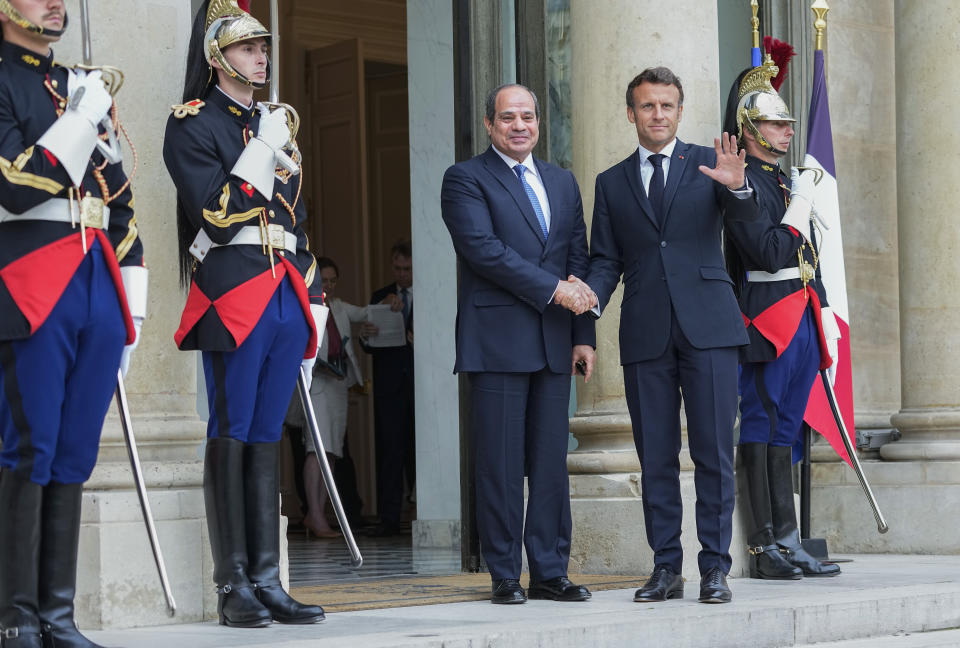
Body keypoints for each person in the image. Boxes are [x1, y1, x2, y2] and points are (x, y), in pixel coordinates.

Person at [162, 0, 325, 628]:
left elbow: (294, 220)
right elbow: (217, 207)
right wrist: (262, 146)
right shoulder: (193, 123)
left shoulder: (275, 124)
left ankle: (267, 577)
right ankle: (232, 582)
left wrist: (314, 296)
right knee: (230, 431)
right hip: (233, 289)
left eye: (264, 48)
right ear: (218, 55)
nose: (261, 57)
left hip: (284, 289)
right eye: (249, 47)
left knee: (264, 435)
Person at [0, 1, 147, 646]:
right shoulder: (7, 82)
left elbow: (121, 203)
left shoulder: (76, 83)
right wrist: (82, 120)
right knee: (28, 447)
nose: (56, 3)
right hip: (30, 278)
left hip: (96, 283)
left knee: (74, 452)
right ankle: (15, 615)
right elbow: (14, 185)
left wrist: (130, 307)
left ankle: (57, 614)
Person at [585, 67, 761, 605]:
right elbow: (604, 261)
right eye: (646, 106)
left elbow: (752, 238)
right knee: (655, 456)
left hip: (709, 328)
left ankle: (715, 569)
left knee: (712, 452)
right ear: (631, 113)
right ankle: (666, 568)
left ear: (679, 112)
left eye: (666, 106)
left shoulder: (712, 166)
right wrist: (582, 309)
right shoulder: (611, 182)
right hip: (645, 332)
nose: (656, 115)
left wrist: (741, 188)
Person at [441, 83, 597, 605]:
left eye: (527, 116)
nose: (520, 125)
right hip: (498, 341)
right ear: (489, 125)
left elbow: (579, 256)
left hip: (556, 342)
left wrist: (584, 335)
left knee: (552, 462)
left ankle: (550, 571)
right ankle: (505, 573)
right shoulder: (465, 178)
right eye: (507, 117)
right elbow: (483, 251)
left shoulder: (562, 181)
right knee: (501, 464)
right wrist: (554, 290)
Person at [721, 56, 841, 579]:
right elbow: (768, 253)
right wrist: (800, 206)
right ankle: (762, 546)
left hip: (802, 315)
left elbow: (805, 258)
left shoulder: (785, 180)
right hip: (767, 319)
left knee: (788, 429)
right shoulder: (745, 183)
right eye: (774, 123)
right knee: (763, 423)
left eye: (789, 123)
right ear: (748, 130)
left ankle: (789, 540)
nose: (787, 131)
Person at [301, 256, 369, 538]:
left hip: (338, 387)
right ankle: (314, 514)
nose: (328, 286)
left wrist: (393, 304)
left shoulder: (338, 307)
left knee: (331, 453)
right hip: (316, 385)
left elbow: (367, 313)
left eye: (331, 281)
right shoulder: (306, 306)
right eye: (323, 281)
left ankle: (318, 512)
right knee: (315, 450)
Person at [359, 241, 415, 537]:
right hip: (390, 387)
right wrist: (366, 335)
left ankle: (418, 513)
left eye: (407, 269)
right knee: (390, 454)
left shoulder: (429, 294)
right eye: (397, 268)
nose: (402, 274)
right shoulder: (380, 297)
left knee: (416, 455)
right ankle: (389, 518)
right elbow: (367, 344)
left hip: (420, 387)